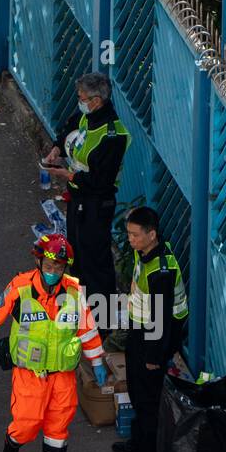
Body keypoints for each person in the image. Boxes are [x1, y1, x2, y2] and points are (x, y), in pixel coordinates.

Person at [0, 233, 107, 452]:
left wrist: (97, 361)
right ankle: (12, 443)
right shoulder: (19, 287)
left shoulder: (74, 292)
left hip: (62, 376)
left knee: (58, 431)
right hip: (30, 374)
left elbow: (87, 329)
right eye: (49, 266)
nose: (53, 272)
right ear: (39, 261)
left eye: (59, 268)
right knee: (27, 423)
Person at [113, 206, 189, 452]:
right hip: (140, 331)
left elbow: (163, 320)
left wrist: (154, 357)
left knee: (148, 402)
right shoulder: (144, 253)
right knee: (136, 389)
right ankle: (138, 439)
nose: (130, 239)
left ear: (152, 235)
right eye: (129, 234)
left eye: (135, 235)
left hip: (154, 341)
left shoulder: (161, 272)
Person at [43, 72, 130, 313]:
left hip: (96, 202)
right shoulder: (85, 117)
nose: (79, 101)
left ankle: (103, 317)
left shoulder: (113, 135)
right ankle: (81, 306)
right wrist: (56, 149)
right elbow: (68, 129)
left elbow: (100, 180)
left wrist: (66, 175)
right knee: (76, 253)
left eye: (82, 98)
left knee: (95, 259)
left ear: (96, 101)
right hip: (77, 198)